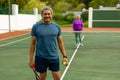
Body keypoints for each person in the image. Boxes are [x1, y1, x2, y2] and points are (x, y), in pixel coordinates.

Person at [29, 6, 68, 80]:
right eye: (45, 14)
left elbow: (60, 42)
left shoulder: (57, 27)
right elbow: (32, 44)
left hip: (54, 57)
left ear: (52, 15)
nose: (47, 16)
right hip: (40, 57)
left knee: (57, 77)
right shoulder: (36, 27)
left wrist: (65, 56)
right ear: (42, 15)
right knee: (42, 77)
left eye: (49, 14)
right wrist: (31, 59)